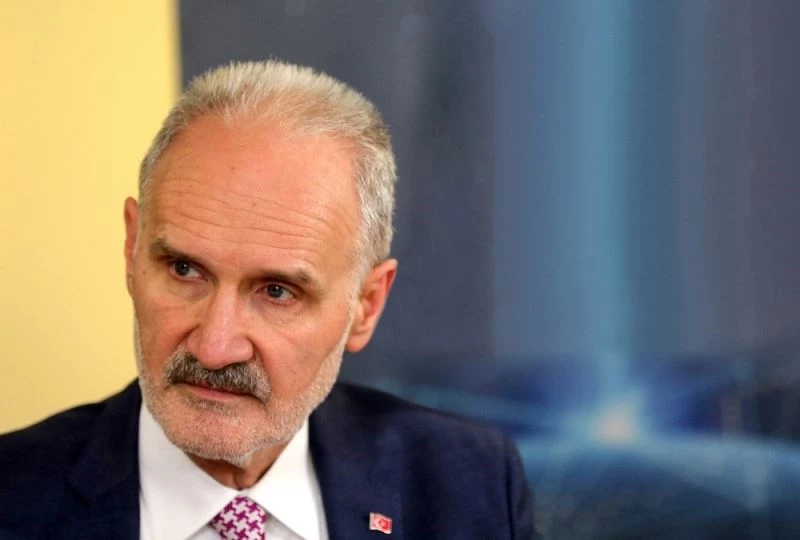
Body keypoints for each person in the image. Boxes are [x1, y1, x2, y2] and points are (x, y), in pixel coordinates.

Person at [0, 60, 536, 540]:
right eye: (184, 270)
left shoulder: (471, 487)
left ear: (366, 305)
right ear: (131, 249)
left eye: (277, 292)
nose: (214, 348)